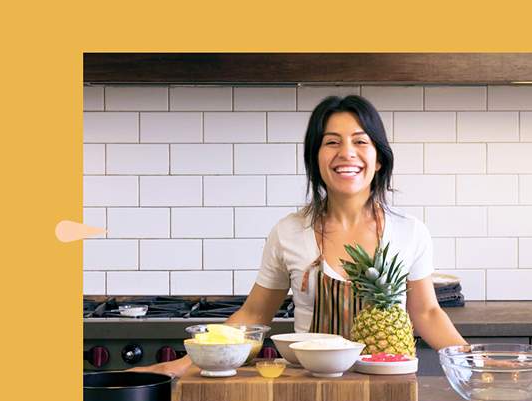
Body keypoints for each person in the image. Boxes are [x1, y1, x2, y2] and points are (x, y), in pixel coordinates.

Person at [137, 95, 466, 377]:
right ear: (316, 158)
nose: (347, 153)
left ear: (378, 158)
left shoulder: (410, 232)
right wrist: (183, 364)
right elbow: (254, 316)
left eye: (360, 141)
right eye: (332, 142)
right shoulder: (289, 233)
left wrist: (472, 361)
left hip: (387, 388)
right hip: (308, 389)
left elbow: (426, 313)